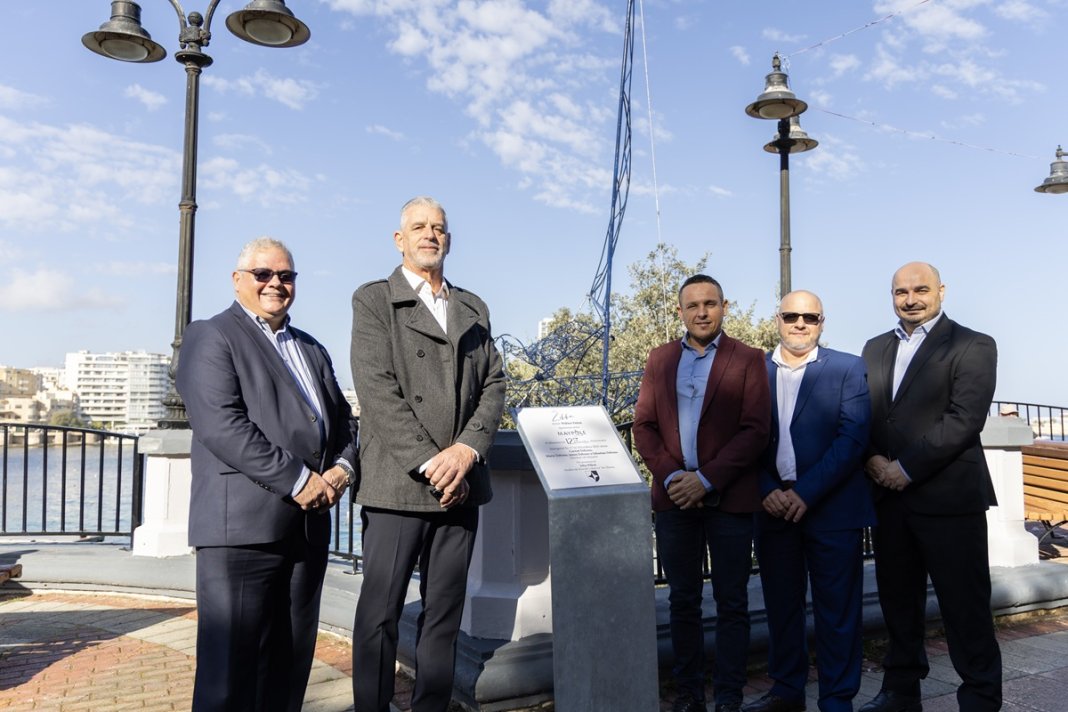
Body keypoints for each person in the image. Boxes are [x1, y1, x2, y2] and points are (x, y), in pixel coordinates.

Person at [176, 237, 359, 712]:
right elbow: (223, 426)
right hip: (240, 533)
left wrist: (341, 469)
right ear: (239, 280)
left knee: (288, 669)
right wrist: (301, 480)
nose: (276, 284)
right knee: (228, 678)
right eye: (263, 274)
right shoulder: (211, 336)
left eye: (286, 276)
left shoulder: (312, 348)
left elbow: (343, 422)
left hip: (307, 529)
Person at [350, 196, 506, 712]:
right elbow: (377, 391)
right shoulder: (374, 300)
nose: (430, 234)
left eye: (439, 227)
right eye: (418, 227)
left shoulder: (474, 306)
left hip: (460, 486)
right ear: (400, 239)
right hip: (398, 485)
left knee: (444, 617)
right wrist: (430, 461)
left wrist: (466, 451)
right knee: (380, 616)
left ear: (449, 240)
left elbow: (494, 383)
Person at [860, 262, 1001, 712]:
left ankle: (979, 697)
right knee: (898, 605)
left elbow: (964, 419)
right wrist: (873, 460)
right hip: (889, 501)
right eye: (901, 291)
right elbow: (864, 412)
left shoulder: (973, 344)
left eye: (921, 289)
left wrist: (906, 467)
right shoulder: (874, 347)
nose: (911, 298)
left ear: (941, 291)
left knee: (966, 609)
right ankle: (901, 692)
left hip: (948, 501)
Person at [633, 274, 771, 712]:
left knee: (732, 602)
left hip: (729, 501)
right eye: (692, 305)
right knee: (683, 600)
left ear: (724, 307)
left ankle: (729, 696)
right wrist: (675, 477)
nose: (702, 312)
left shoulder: (748, 359)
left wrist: (707, 479)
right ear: (680, 311)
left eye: (710, 304)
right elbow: (643, 427)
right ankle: (689, 695)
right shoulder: (659, 360)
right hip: (675, 500)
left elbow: (756, 431)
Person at [742, 291, 874, 712]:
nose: (800, 323)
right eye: (791, 315)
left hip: (833, 510)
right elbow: (740, 439)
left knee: (838, 612)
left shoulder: (848, 368)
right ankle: (786, 691)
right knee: (782, 608)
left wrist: (805, 493)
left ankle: (837, 699)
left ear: (822, 321)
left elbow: (852, 439)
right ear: (777, 319)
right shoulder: (752, 370)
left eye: (810, 317)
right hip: (773, 509)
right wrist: (767, 491)